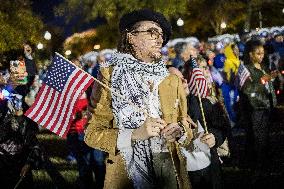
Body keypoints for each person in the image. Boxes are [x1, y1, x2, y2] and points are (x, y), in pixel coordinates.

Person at [84, 9, 193, 189]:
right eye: (152, 32)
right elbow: (91, 134)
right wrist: (134, 135)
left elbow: (186, 124)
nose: (160, 39)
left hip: (168, 172)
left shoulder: (171, 79)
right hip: (127, 175)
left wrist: (180, 132)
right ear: (131, 37)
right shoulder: (110, 76)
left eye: (161, 34)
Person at [239, 40, 277, 181]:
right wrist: (262, 81)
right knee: (257, 139)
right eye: (258, 53)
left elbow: (269, 86)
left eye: (263, 53)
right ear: (250, 54)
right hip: (255, 109)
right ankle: (257, 167)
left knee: (265, 138)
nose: (261, 56)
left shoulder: (264, 67)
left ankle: (265, 163)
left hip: (267, 106)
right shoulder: (245, 69)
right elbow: (247, 89)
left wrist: (273, 79)